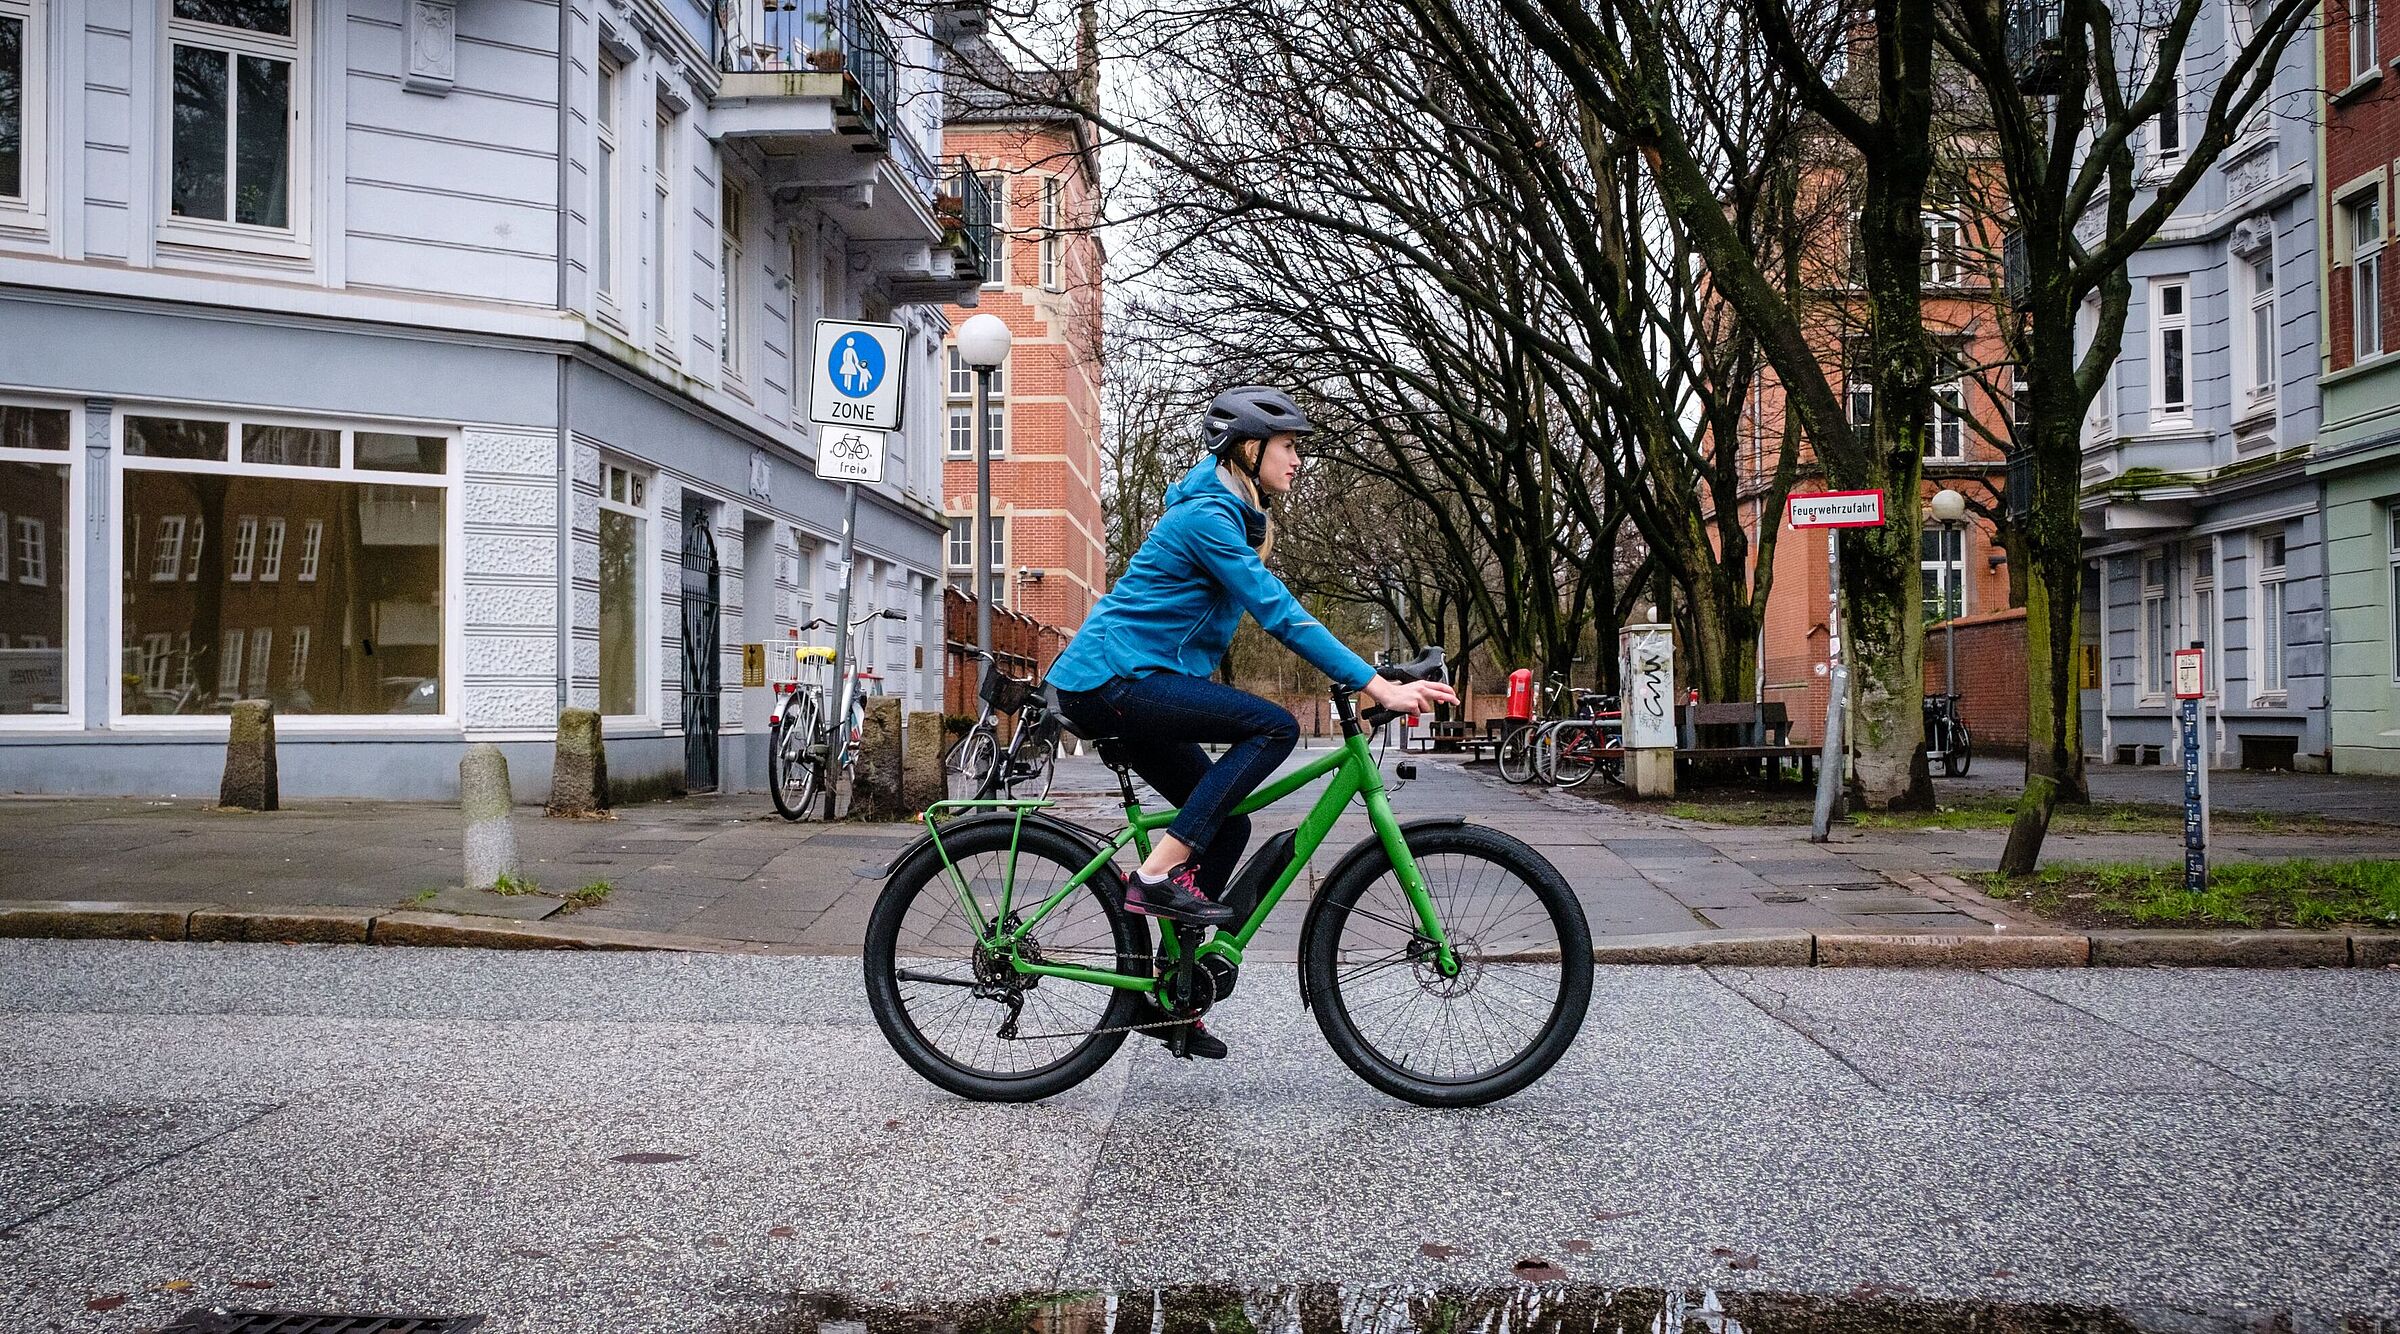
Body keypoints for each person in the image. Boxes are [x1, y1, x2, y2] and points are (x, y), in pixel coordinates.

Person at [1046, 386, 1456, 1056]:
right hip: (1110, 680)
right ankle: (1154, 877)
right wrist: (1374, 682)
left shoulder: (1235, 515)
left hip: (1136, 680)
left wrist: (1382, 675)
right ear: (1248, 447)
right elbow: (1279, 613)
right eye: (1288, 446)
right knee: (1274, 727)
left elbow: (1280, 613)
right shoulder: (1208, 518)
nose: (1297, 460)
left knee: (1228, 824)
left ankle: (1172, 997)